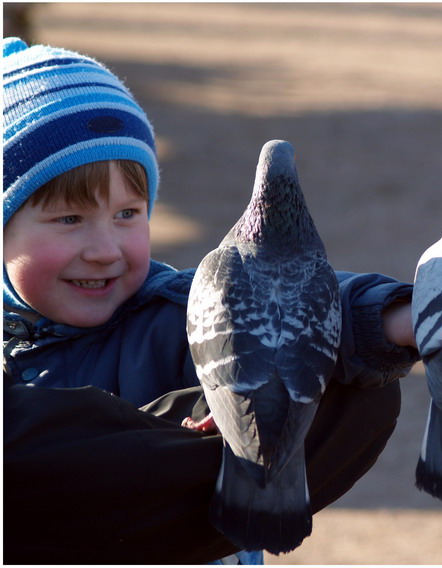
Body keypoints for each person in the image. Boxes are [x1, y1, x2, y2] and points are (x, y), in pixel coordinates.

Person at [3, 37, 419, 563]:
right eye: (69, 219)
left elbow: (279, 295)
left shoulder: (174, 311)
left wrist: (394, 316)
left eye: (128, 214)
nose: (105, 250)